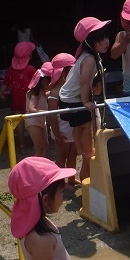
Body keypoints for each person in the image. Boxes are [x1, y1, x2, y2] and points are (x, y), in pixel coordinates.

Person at [59, 17, 111, 183]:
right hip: (72, 100)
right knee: (88, 148)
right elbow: (84, 82)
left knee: (83, 130)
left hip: (74, 98)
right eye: (100, 39)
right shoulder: (88, 59)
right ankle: (86, 165)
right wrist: (85, 102)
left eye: (106, 37)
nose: (106, 41)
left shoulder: (92, 55)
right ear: (90, 41)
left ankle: (84, 151)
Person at [0, 41, 37, 150]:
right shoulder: (31, 69)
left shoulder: (11, 70)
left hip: (16, 100)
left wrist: (1, 94)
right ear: (29, 55)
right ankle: (35, 142)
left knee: (18, 122)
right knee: (32, 122)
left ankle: (21, 143)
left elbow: (5, 84)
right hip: (29, 100)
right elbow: (37, 84)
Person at [47, 53, 78, 187]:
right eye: (71, 69)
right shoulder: (55, 92)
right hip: (61, 130)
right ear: (64, 71)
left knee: (73, 154)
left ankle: (71, 179)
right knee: (62, 156)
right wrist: (57, 133)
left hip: (73, 128)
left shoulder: (71, 88)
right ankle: (59, 182)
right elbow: (53, 116)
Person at [25, 62, 52, 158]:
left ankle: (42, 165)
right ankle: (37, 168)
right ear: (43, 81)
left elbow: (48, 94)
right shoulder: (34, 93)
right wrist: (47, 112)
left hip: (41, 121)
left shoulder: (42, 92)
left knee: (45, 145)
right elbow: (31, 108)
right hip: (33, 121)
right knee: (39, 147)